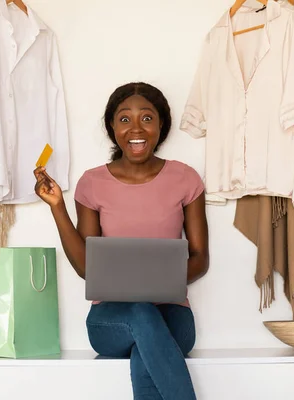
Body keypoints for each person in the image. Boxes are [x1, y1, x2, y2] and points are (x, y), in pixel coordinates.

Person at [34, 82, 209, 400]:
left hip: (173, 314)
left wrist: (160, 280)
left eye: (147, 117)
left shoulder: (185, 179)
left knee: (147, 348)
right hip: (110, 320)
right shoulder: (92, 183)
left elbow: (200, 257)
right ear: (112, 127)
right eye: (125, 119)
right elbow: (87, 267)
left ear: (161, 125)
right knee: (142, 314)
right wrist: (58, 206)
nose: (136, 128)